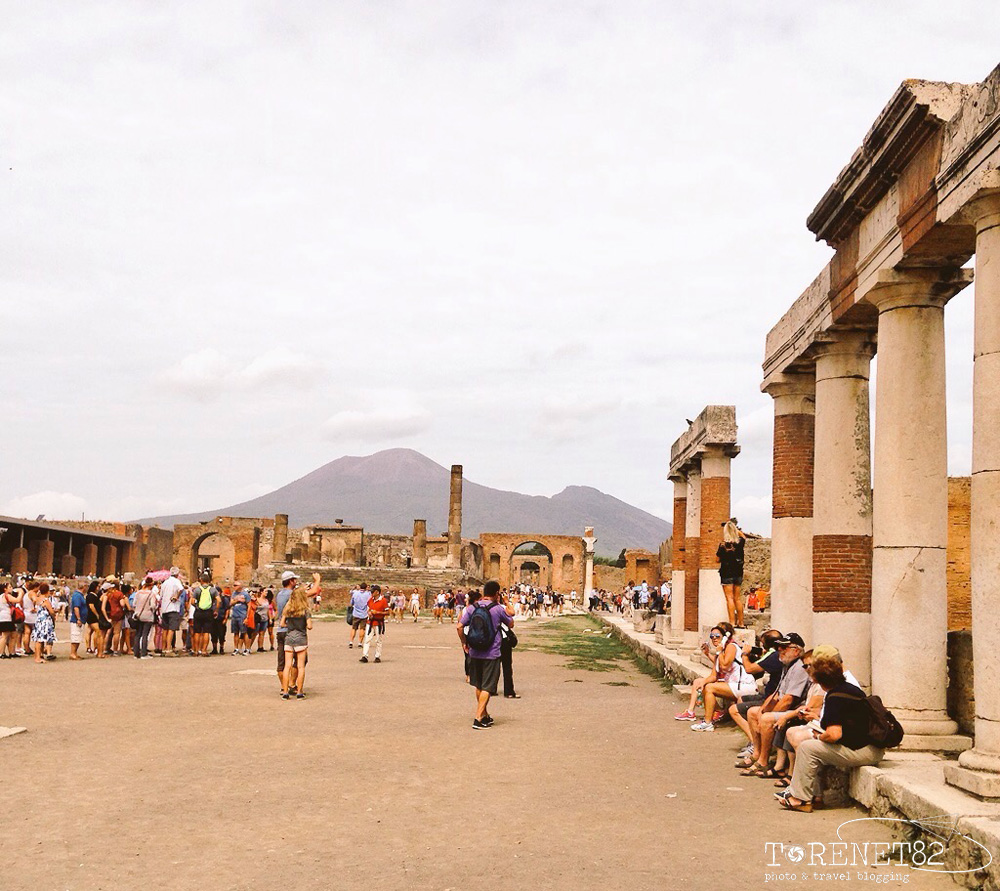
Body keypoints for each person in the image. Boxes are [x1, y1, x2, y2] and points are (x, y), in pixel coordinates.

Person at [779, 648, 885, 812]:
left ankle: (800, 799)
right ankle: (815, 796)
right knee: (814, 747)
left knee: (808, 747)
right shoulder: (850, 689)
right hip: (870, 748)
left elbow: (834, 734)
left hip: (864, 751)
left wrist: (819, 737)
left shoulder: (835, 697)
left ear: (819, 681)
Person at [743, 633, 811, 778]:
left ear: (796, 650)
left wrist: (767, 715)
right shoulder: (787, 665)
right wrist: (762, 710)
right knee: (753, 712)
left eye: (784, 647)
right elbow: (776, 694)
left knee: (767, 719)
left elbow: (788, 700)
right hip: (787, 707)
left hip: (797, 710)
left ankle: (763, 761)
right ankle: (757, 752)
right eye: (779, 647)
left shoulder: (799, 667)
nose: (780, 649)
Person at [457, 580, 514, 730]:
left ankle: (484, 715)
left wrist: (464, 643)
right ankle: (477, 718)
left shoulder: (472, 608)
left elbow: (459, 626)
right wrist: (506, 602)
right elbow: (511, 623)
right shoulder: (498, 609)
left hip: (474, 650)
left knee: (479, 685)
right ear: (496, 594)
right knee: (488, 687)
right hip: (492, 652)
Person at [279, 582, 313, 700]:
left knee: (287, 666)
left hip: (289, 638)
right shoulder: (305, 610)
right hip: (301, 639)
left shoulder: (288, 610)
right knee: (300, 666)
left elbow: (282, 623)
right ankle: (299, 691)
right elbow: (309, 626)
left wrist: (289, 626)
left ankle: (285, 692)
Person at [716, 519, 747, 627]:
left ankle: (732, 622)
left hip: (726, 573)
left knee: (729, 598)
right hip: (738, 572)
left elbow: (717, 560)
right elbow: (743, 536)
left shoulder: (723, 545)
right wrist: (735, 530)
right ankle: (741, 623)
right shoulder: (740, 542)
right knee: (737, 598)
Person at [158, 566, 184, 655]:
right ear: (177, 574)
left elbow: (160, 596)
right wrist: (176, 596)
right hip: (173, 608)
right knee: (171, 629)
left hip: (164, 608)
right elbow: (181, 589)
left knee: (165, 629)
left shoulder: (165, 582)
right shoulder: (176, 581)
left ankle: (164, 648)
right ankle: (169, 648)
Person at [361, 584, 388, 664]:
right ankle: (365, 655)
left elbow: (388, 612)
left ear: (377, 592)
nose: (371, 593)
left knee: (378, 640)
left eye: (373, 592)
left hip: (378, 622)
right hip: (370, 621)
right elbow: (368, 609)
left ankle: (377, 656)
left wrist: (378, 612)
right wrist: (369, 613)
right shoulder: (370, 600)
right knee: (367, 639)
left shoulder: (383, 601)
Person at [30, 583, 58, 662]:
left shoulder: (37, 599)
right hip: (45, 620)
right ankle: (37, 657)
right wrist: (55, 612)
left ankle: (39, 655)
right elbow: (51, 611)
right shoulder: (46, 600)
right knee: (40, 640)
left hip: (38, 620)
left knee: (38, 639)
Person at [131, 577, 157, 659]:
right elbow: (153, 605)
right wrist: (154, 608)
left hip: (138, 615)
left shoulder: (138, 593)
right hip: (148, 615)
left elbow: (134, 604)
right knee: (145, 634)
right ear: (151, 585)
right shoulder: (151, 594)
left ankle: (136, 653)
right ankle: (144, 653)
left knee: (138, 634)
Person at [68, 585, 89, 660]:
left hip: (82, 619)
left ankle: (75, 653)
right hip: (76, 620)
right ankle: (72, 653)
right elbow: (76, 608)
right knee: (75, 637)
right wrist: (79, 618)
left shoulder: (81, 596)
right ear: (84, 587)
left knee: (78, 637)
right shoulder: (77, 596)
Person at [500, 621, 519, 699]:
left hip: (491, 639)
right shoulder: (502, 610)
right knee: (507, 666)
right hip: (504, 640)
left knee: (492, 666)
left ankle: (490, 689)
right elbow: (511, 623)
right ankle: (509, 691)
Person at [348, 583, 370, 648]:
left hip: (356, 613)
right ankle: (360, 643)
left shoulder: (355, 593)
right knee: (362, 629)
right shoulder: (368, 595)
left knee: (354, 628)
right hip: (364, 614)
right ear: (366, 588)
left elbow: (351, 603)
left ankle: (351, 642)